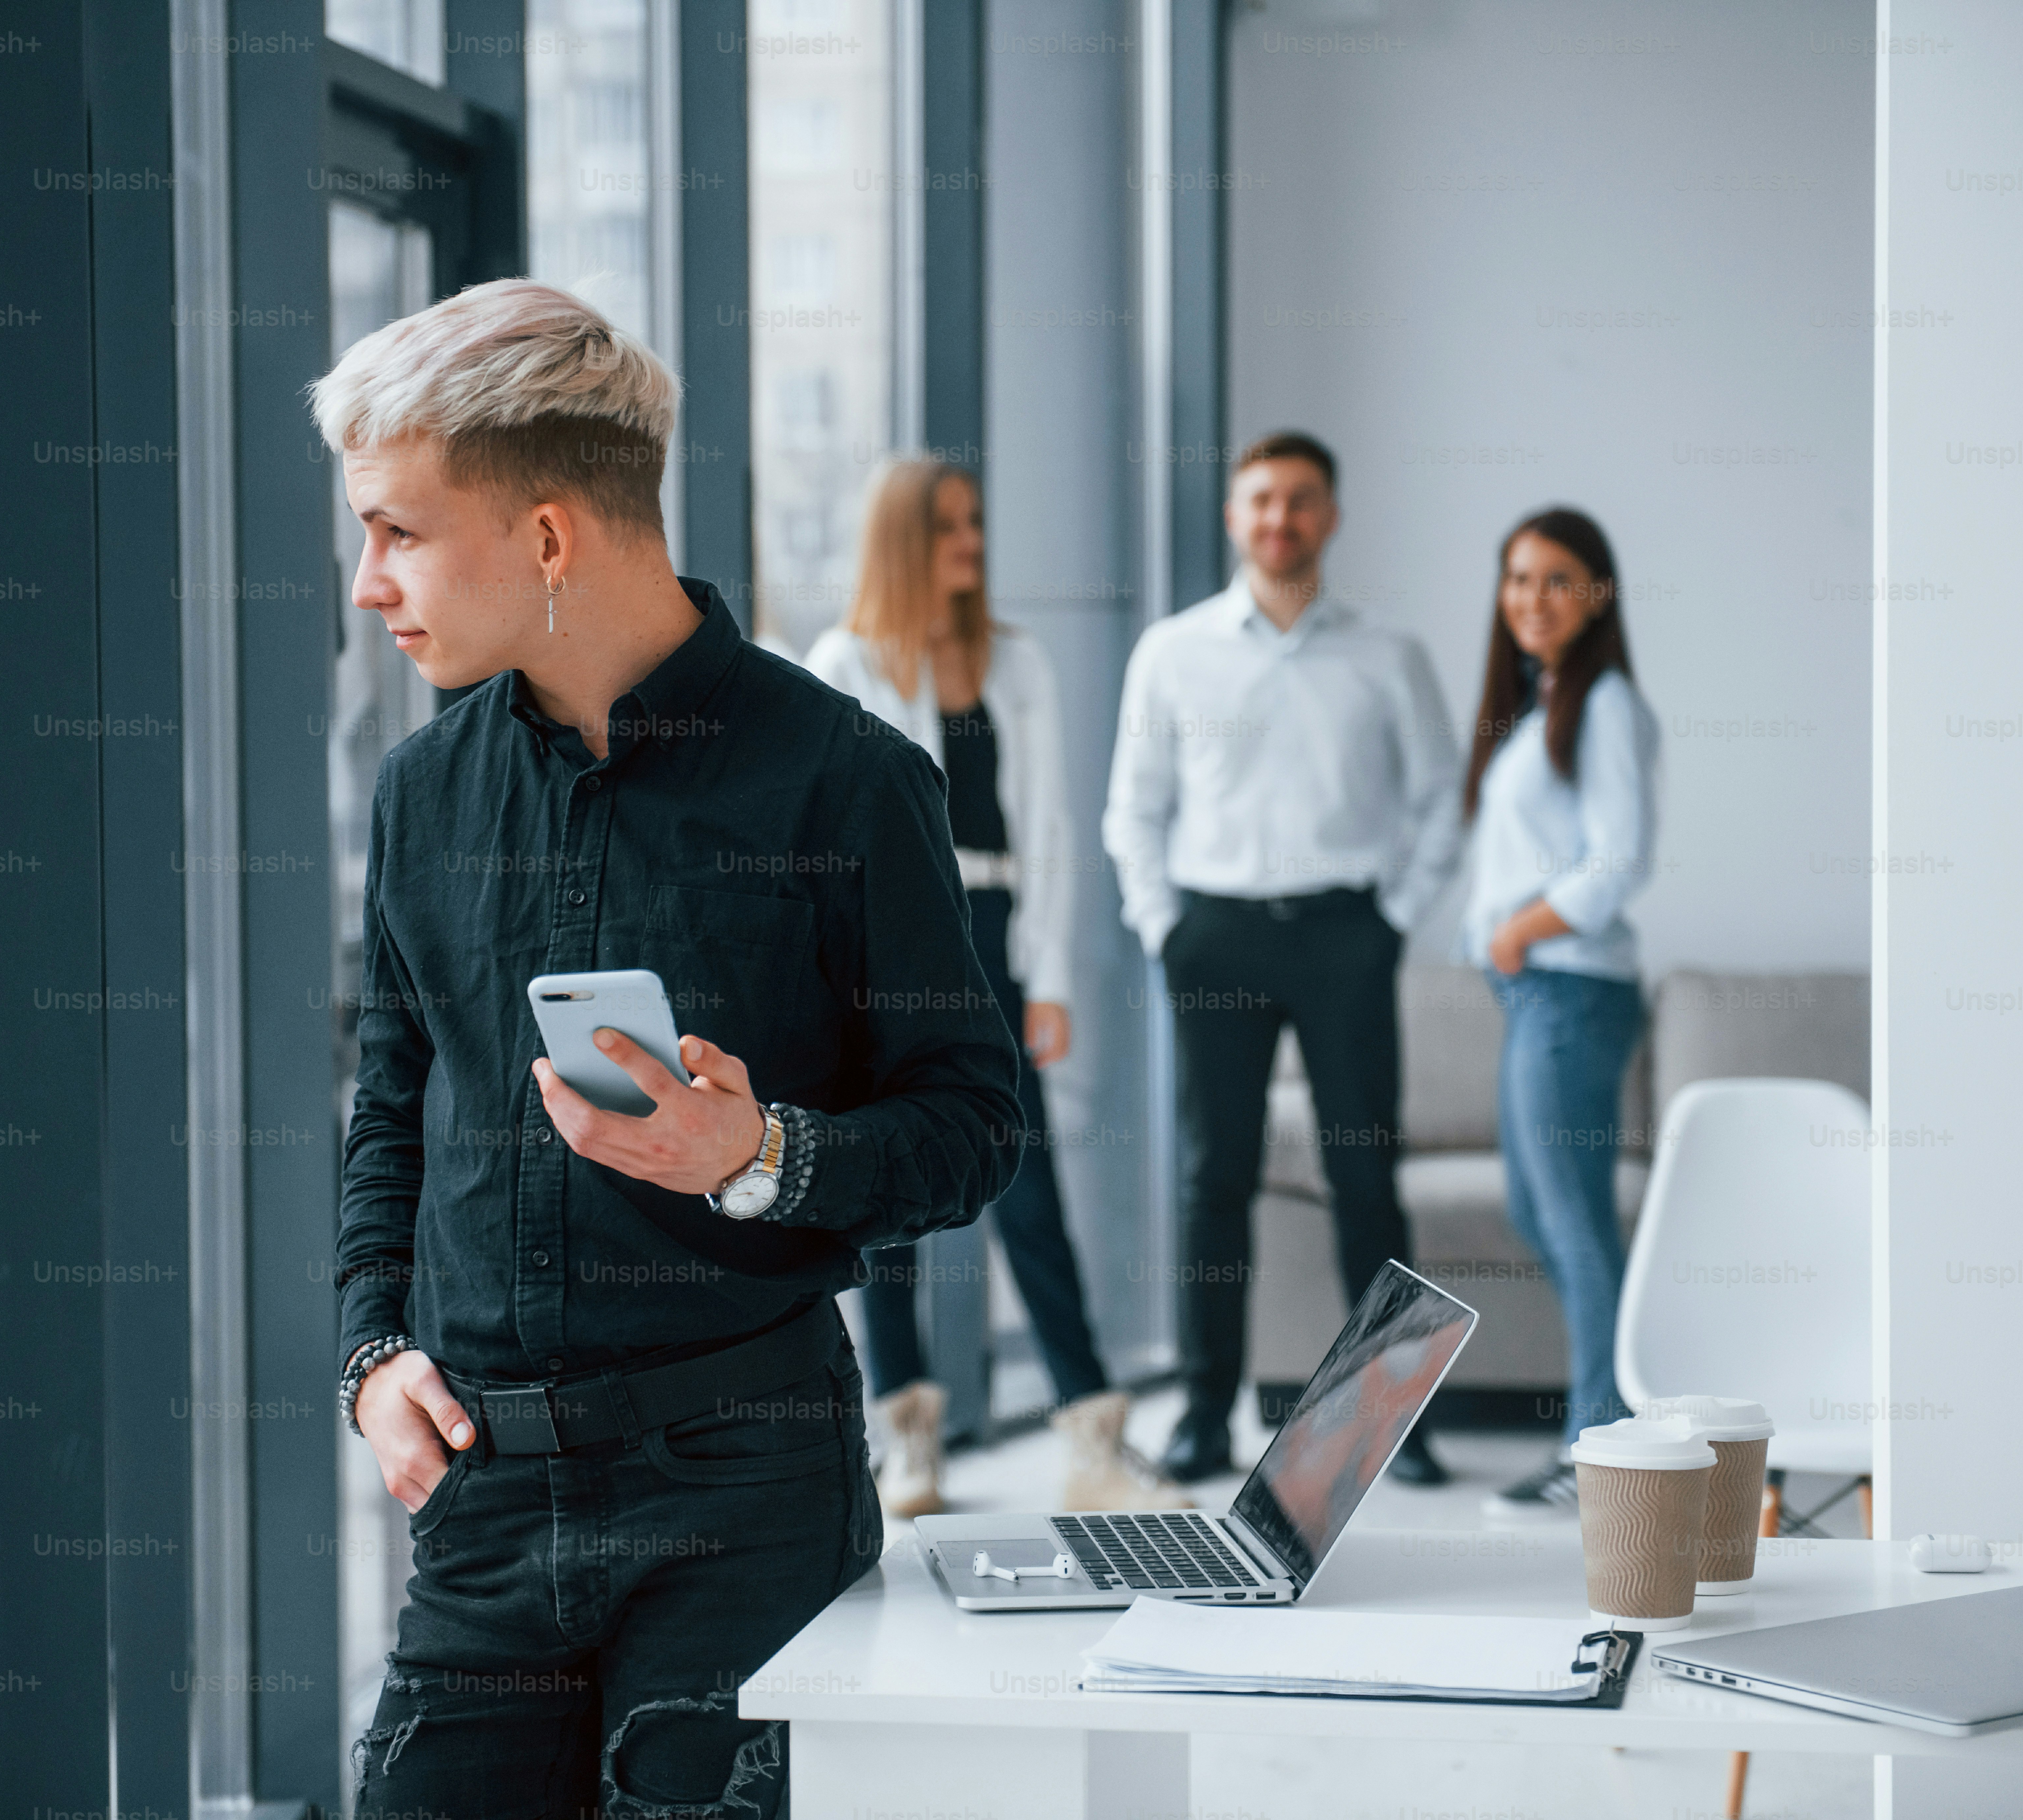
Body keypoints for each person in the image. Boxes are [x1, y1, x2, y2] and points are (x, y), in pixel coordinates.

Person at [320, 280, 1023, 1816]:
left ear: (551, 537)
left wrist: (765, 1156)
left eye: (397, 529)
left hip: (746, 1497)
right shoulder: (422, 794)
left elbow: (974, 1124)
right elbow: (390, 1109)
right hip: (484, 1507)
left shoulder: (846, 782)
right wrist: (372, 1356)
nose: (368, 580)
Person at [807, 460, 1190, 1516]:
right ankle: (910, 1444)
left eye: (976, 522)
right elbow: (829, 838)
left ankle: (1090, 1436)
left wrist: (1052, 976)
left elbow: (1056, 833)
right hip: (888, 944)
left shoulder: (1015, 664)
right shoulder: (842, 662)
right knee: (886, 1189)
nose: (973, 543)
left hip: (997, 932)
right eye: (950, 527)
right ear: (903, 541)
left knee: (1029, 1189)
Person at [1103, 432, 1464, 1487]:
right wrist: (1164, 924)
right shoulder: (1173, 652)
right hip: (1215, 930)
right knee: (1214, 1178)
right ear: (1234, 517)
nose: (1280, 520)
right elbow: (1136, 811)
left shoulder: (1388, 654)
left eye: (1301, 501)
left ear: (1332, 516)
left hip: (1347, 932)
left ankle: (1389, 1422)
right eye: (1261, 502)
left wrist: (1393, 915)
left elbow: (1441, 796)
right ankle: (1206, 1413)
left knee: (1367, 1173)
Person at [1458, 507, 1658, 1522]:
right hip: (1538, 988)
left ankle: (1604, 1449)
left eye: (1556, 579)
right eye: (1517, 580)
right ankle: (1607, 1432)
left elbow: (1620, 860)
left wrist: (1518, 930)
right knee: (1546, 1213)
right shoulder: (1540, 705)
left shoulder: (1608, 701)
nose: (1532, 600)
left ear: (1599, 592)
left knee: (1573, 1220)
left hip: (1571, 988)